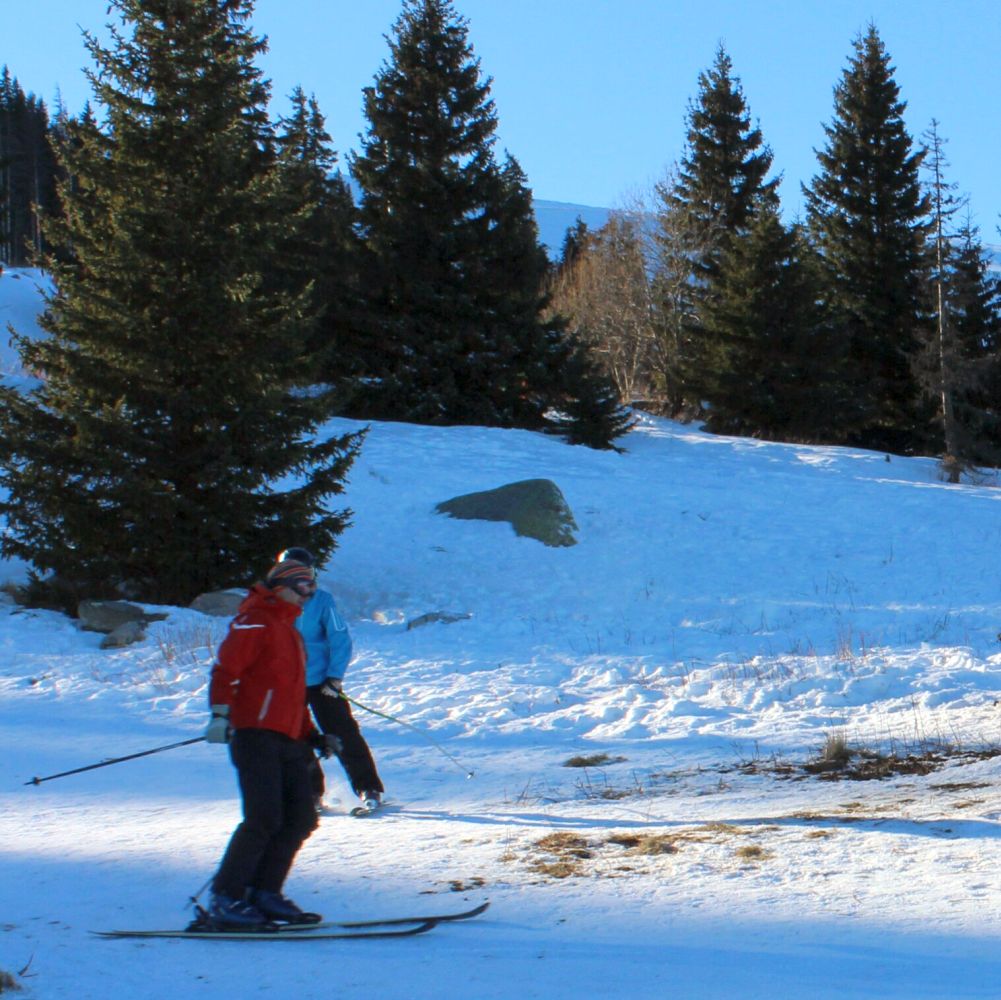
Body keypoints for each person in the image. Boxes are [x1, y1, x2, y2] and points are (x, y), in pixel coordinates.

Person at [204, 559, 339, 930]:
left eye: (312, 587)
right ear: (281, 586)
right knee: (263, 819)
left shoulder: (288, 629)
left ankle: (263, 892)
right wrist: (220, 715)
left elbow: (291, 695)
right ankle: (225, 897)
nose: (308, 594)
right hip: (254, 735)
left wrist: (311, 732)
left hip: (290, 737)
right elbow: (226, 671)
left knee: (301, 818)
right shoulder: (255, 621)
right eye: (303, 587)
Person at [277, 546, 385, 813]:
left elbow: (340, 639)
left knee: (342, 732)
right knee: (295, 737)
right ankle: (311, 792)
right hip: (287, 683)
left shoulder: (322, 601)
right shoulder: (271, 603)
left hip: (321, 681)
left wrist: (335, 677)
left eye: (307, 574)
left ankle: (367, 787)